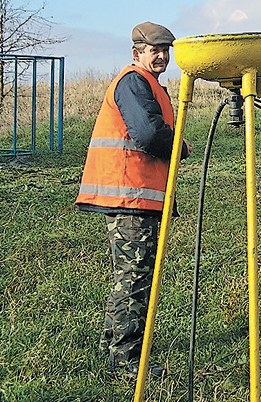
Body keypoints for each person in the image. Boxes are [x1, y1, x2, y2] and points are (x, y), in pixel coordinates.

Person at [76, 22, 191, 378]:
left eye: (165, 50)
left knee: (129, 274)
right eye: (153, 50)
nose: (161, 56)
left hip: (135, 194)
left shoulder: (148, 84)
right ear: (136, 53)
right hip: (130, 195)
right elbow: (147, 134)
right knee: (135, 277)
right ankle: (125, 361)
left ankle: (111, 349)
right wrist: (180, 147)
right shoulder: (134, 82)